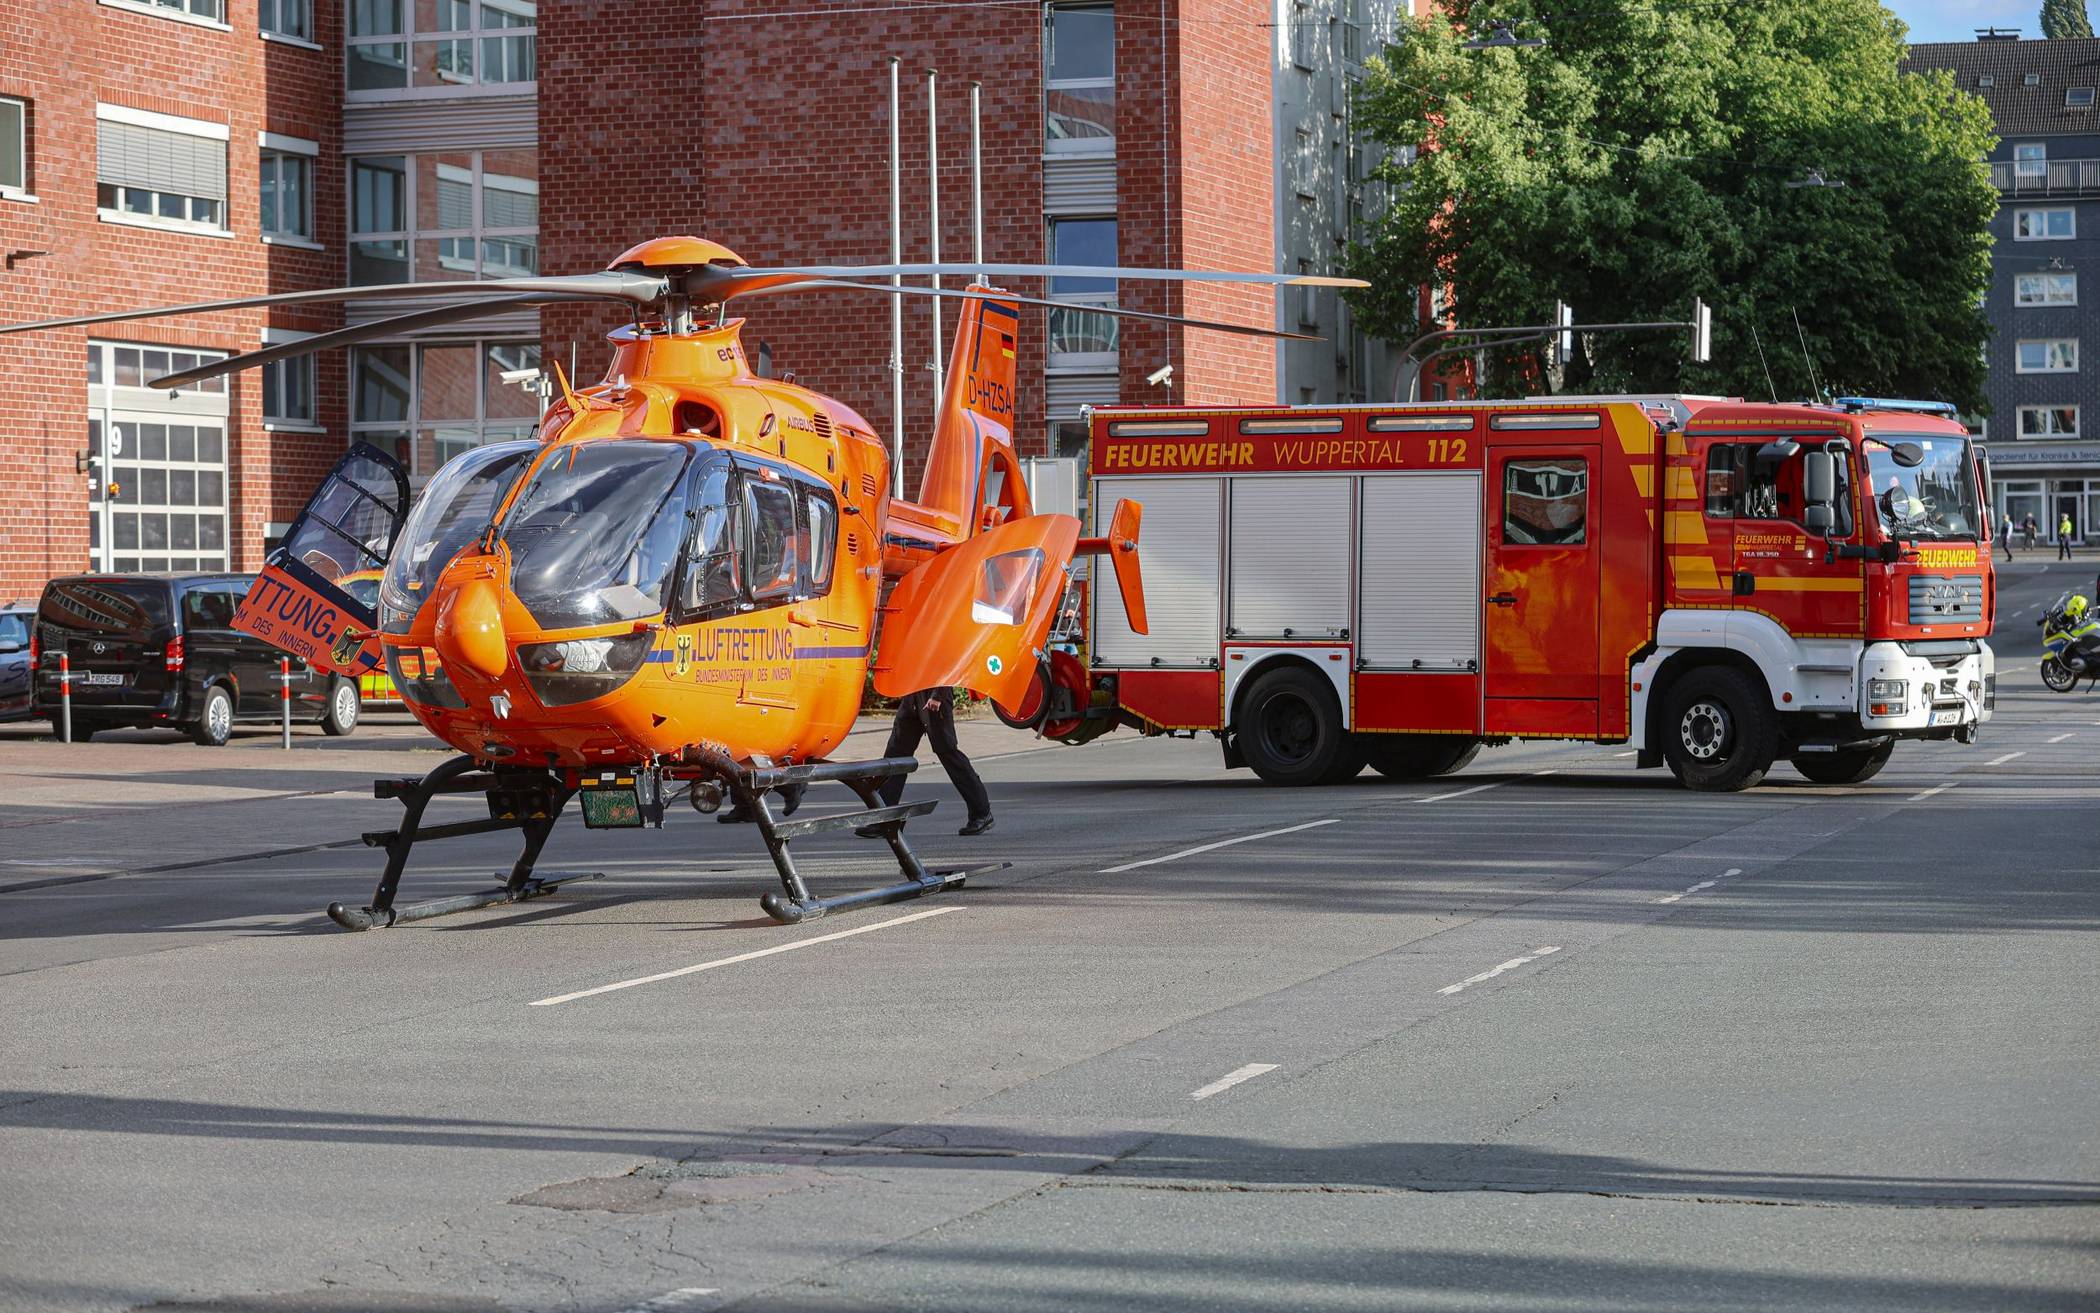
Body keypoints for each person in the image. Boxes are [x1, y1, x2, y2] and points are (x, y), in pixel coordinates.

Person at [866, 687, 993, 836]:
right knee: (895, 757)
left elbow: (944, 670)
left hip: (934, 697)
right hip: (912, 694)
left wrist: (938, 695)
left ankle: (982, 813)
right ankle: (885, 820)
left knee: (949, 754)